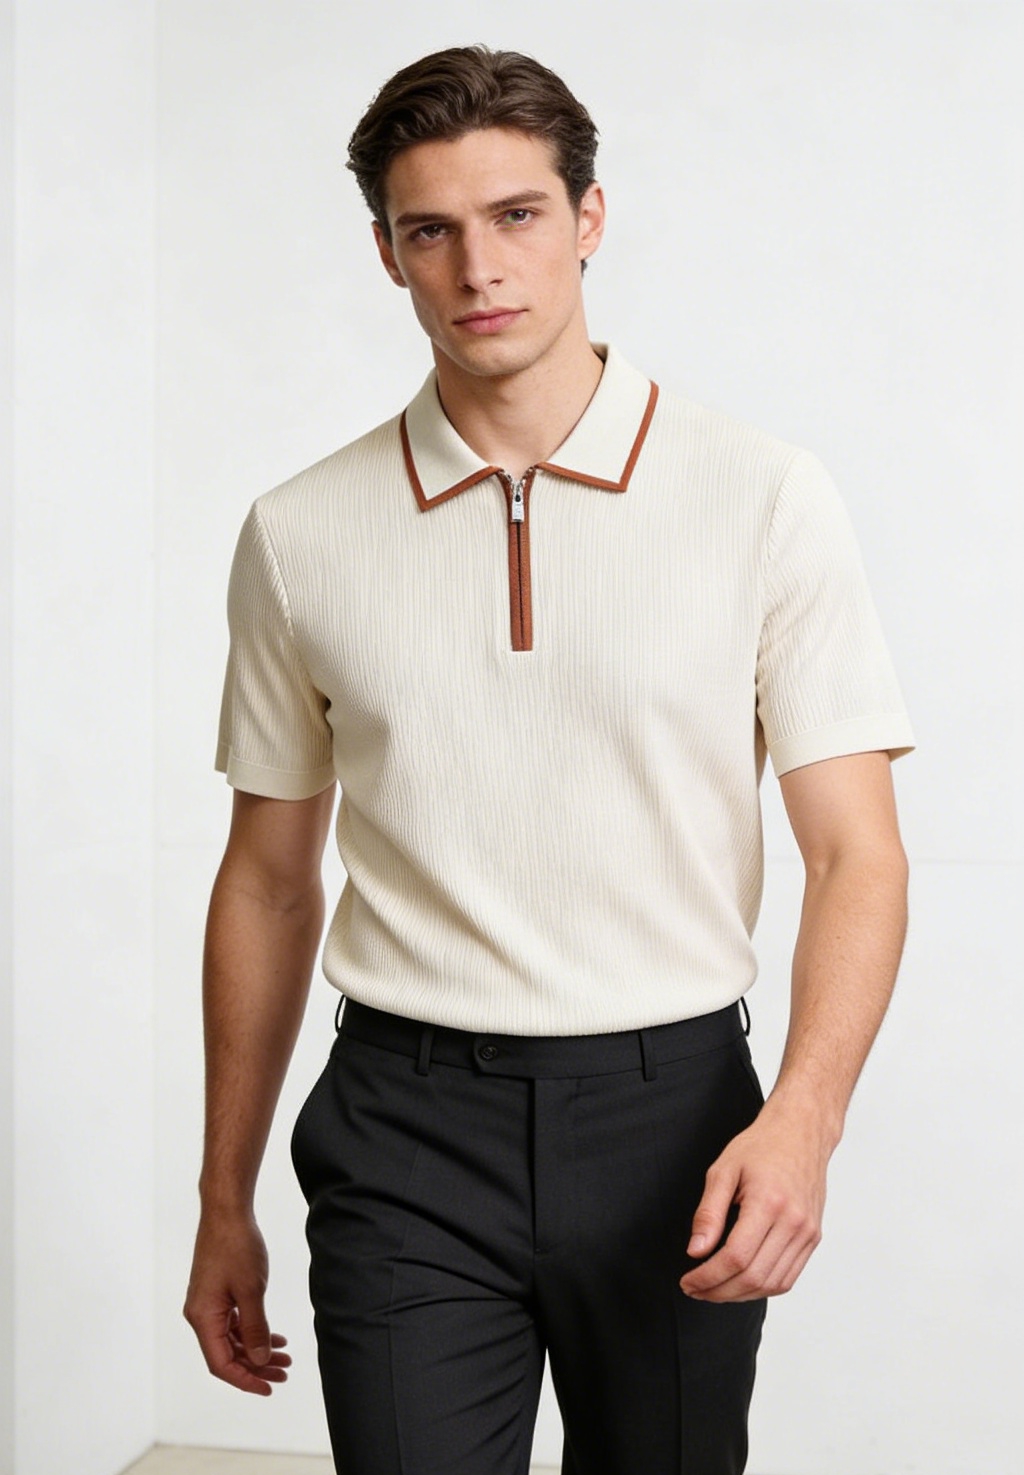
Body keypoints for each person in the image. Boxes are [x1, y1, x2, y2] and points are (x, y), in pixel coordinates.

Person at [183, 44, 915, 1475]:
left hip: (676, 1123)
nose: (479, 268)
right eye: (431, 230)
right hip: (402, 1132)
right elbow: (266, 882)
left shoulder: (763, 496)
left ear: (588, 219)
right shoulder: (299, 534)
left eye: (516, 214)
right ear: (387, 253)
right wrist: (223, 1199)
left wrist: (804, 1119)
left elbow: (856, 853)